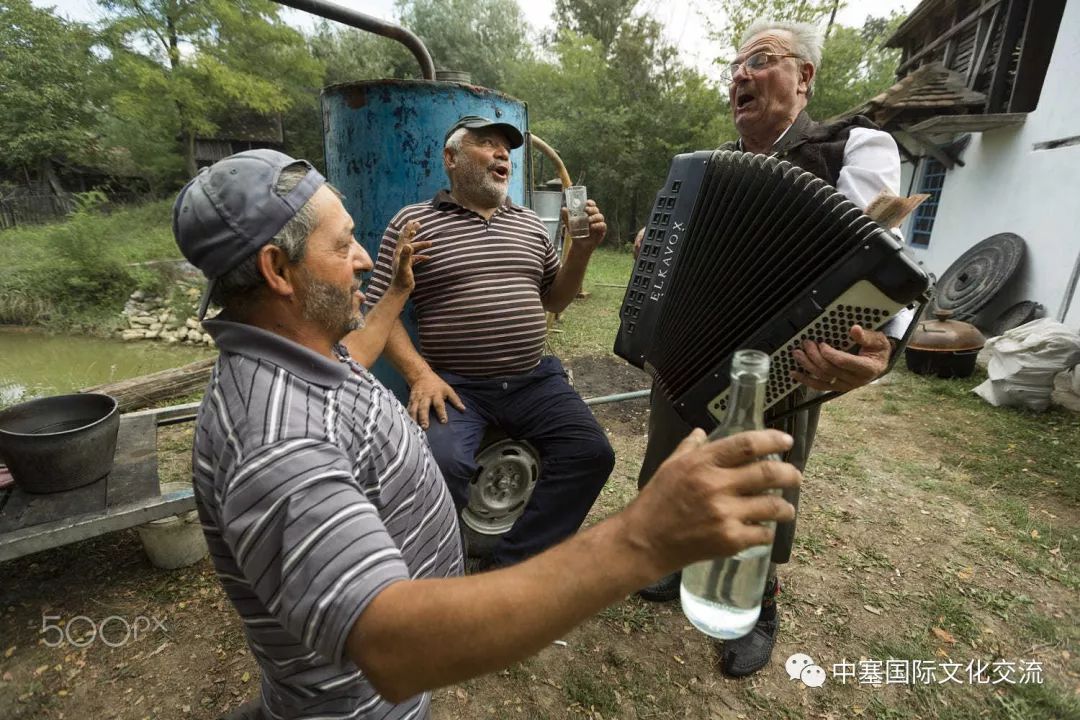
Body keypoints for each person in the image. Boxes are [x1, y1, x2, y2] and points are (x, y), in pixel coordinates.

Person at [173, 148, 802, 719]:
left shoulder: (296, 349)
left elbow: (358, 354)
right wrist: (643, 539)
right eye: (342, 247)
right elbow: (397, 651)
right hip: (365, 708)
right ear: (277, 271)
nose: (363, 257)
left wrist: (394, 295)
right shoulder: (276, 445)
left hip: (527, 385)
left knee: (587, 449)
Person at [632, 20, 915, 678]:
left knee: (759, 481)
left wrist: (882, 347)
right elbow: (673, 258)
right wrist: (656, 252)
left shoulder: (853, 148)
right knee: (671, 457)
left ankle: (759, 602)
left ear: (804, 77)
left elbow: (880, 263)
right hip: (688, 349)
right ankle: (673, 563)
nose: (740, 75)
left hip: (779, 363)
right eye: (735, 66)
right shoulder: (702, 173)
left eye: (760, 61)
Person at [363, 115, 615, 569]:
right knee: (437, 466)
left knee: (591, 453)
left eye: (506, 149)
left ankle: (513, 565)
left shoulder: (531, 226)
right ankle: (439, 569)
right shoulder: (414, 223)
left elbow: (555, 298)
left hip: (532, 380)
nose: (503, 154)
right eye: (487, 143)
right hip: (459, 388)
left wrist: (583, 251)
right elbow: (380, 309)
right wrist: (419, 375)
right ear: (451, 158)